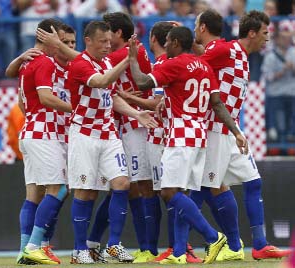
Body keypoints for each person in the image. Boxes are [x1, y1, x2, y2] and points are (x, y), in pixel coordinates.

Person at [128, 26, 248, 264]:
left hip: (181, 135)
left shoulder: (174, 64)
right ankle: (179, 253)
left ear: (174, 43)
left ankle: (213, 237)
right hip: (200, 136)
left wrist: (131, 57)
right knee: (183, 193)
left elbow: (142, 82)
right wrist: (236, 131)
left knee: (169, 191)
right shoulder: (205, 67)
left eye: (169, 42)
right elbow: (217, 104)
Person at [193, 9, 292, 260]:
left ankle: (257, 245)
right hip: (215, 130)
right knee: (207, 189)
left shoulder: (242, 55)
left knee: (252, 182)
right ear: (251, 32)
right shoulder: (226, 50)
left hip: (232, 131)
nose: (267, 38)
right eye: (264, 33)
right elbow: (195, 67)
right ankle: (192, 243)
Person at [66, 20, 158, 264]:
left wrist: (137, 113)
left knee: (122, 183)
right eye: (102, 42)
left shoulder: (107, 63)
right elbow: (100, 82)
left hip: (108, 133)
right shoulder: (79, 64)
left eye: (109, 41)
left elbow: (112, 95)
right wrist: (128, 60)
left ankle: (114, 244)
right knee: (86, 191)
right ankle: (79, 249)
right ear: (88, 41)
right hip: (84, 133)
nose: (107, 46)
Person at [116, 21, 203, 264]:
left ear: (155, 39)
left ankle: (181, 246)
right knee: (165, 191)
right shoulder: (185, 64)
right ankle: (175, 247)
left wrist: (127, 98)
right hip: (179, 135)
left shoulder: (166, 64)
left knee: (168, 192)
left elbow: (156, 104)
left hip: (163, 135)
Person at [5, 18, 74, 265]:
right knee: (59, 188)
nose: (61, 46)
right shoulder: (44, 62)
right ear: (48, 37)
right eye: (59, 40)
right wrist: (76, 109)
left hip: (31, 131)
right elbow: (46, 98)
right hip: (44, 134)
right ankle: (35, 245)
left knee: (34, 194)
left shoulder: (28, 61)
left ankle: (25, 250)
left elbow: (24, 102)